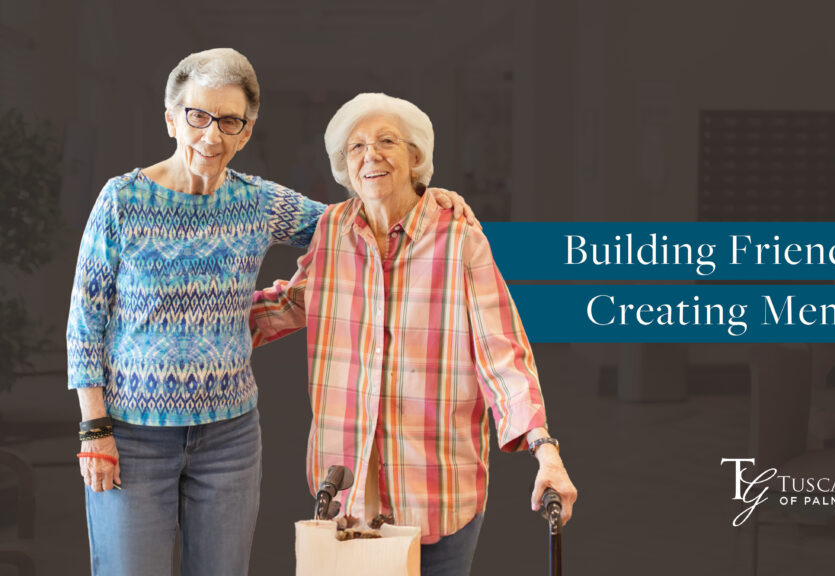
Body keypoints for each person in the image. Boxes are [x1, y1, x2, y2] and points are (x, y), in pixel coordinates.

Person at [66, 49, 475, 576]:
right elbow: (86, 320)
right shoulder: (122, 201)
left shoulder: (257, 202)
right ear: (172, 119)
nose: (211, 136)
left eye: (229, 121)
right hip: (131, 434)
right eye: (198, 116)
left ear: (246, 132)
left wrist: (423, 196)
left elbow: (351, 224)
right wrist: (93, 429)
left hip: (228, 440)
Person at [250, 92, 578, 576]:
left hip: (439, 489)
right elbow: (293, 302)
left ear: (415, 157)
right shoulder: (332, 231)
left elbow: (501, 354)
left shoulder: (460, 237)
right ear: (345, 164)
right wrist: (192, 319)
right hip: (348, 487)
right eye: (356, 147)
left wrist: (544, 449)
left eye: (386, 141)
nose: (371, 155)